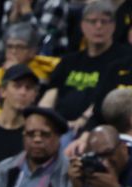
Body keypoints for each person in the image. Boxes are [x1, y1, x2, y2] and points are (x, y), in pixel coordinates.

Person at [38, 1, 127, 136]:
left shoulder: (123, 59)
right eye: (92, 21)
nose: (98, 26)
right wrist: (43, 120)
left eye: (104, 21)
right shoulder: (69, 61)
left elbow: (106, 102)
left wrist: (84, 120)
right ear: (82, 25)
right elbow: (50, 95)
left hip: (95, 127)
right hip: (57, 126)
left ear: (113, 26)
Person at [0, 22, 58, 120]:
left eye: (20, 47)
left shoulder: (47, 71)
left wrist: (17, 70)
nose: (13, 51)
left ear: (33, 51)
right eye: (10, 46)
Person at [0, 63, 40, 169]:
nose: (23, 92)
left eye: (28, 87)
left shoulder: (34, 137)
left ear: (34, 96)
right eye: (17, 86)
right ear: (2, 91)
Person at [67, 124, 132, 187]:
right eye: (97, 157)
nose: (104, 162)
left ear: (123, 148)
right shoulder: (92, 173)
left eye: (108, 153)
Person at [0, 0, 69, 56]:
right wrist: (12, 20)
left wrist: (27, 13)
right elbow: (0, 46)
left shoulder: (55, 3)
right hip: (12, 59)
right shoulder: (12, 3)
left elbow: (43, 41)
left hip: (46, 59)